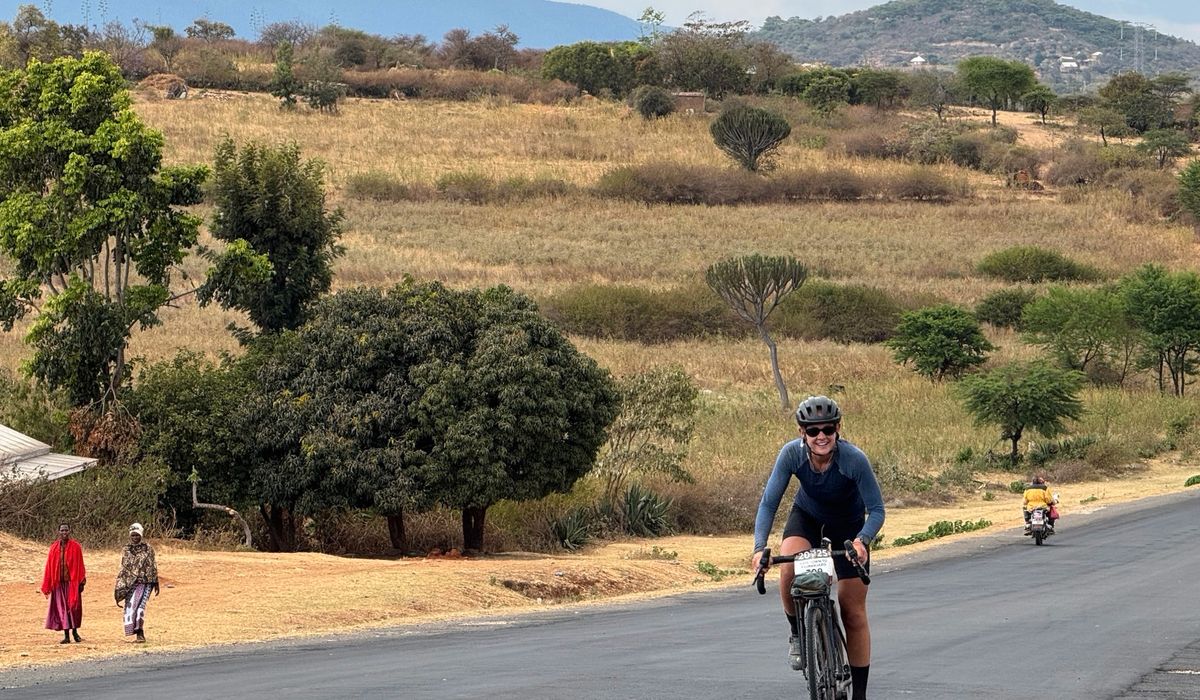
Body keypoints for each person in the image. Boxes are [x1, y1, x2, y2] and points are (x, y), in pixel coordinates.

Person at [751, 395, 885, 700]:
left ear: (838, 428)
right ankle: (798, 634)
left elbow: (877, 509)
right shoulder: (791, 454)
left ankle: (860, 694)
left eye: (827, 429)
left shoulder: (854, 459)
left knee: (852, 611)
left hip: (849, 527)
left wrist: (862, 540)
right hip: (808, 517)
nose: (821, 436)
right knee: (788, 567)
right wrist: (759, 548)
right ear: (802, 432)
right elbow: (769, 503)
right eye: (813, 431)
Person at [40, 523, 86, 644]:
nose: (64, 532)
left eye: (66, 530)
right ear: (59, 532)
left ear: (69, 531)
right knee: (62, 610)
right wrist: (49, 583)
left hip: (72, 583)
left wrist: (81, 582)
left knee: (73, 608)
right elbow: (49, 566)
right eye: (62, 530)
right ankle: (66, 635)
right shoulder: (54, 548)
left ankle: (75, 632)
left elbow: (80, 565)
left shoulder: (76, 547)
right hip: (59, 584)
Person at [114, 523, 159, 643]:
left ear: (141, 535)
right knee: (131, 609)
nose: (135, 537)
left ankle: (140, 633)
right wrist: (121, 585)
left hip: (145, 582)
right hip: (130, 584)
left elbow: (152, 566)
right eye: (133, 535)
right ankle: (135, 631)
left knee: (140, 608)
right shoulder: (126, 549)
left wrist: (155, 582)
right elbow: (124, 568)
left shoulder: (148, 548)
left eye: (137, 535)